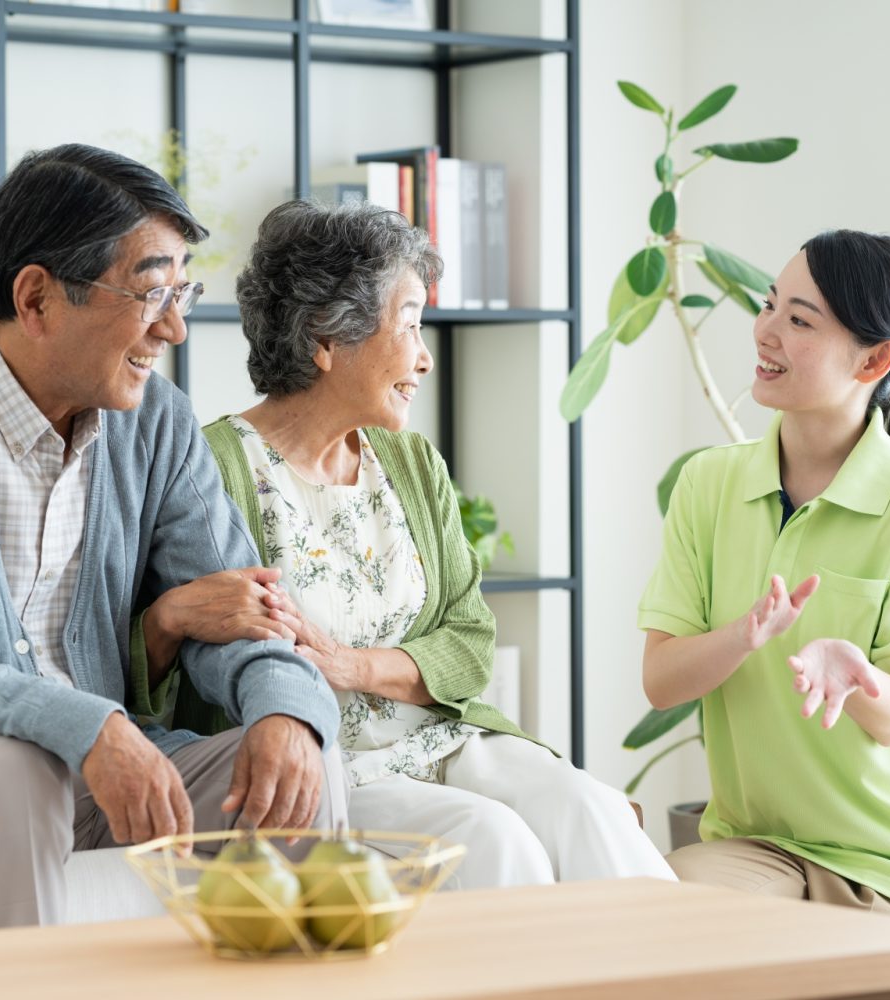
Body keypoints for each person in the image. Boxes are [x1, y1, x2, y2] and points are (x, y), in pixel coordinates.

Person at [0, 144, 345, 932]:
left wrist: (286, 712)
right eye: (152, 290)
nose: (176, 328)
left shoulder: (157, 423)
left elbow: (243, 611)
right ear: (36, 299)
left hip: (100, 774)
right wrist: (88, 725)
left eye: (181, 290)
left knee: (305, 766)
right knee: (14, 769)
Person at [131, 199, 673, 889]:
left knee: (592, 811)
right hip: (330, 764)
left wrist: (353, 665)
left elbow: (470, 643)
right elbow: (158, 662)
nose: (425, 358)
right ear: (326, 339)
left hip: (448, 737)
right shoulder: (211, 468)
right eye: (411, 325)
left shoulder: (412, 463)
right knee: (494, 842)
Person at [639, 230, 890, 929]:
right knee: (663, 916)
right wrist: (743, 636)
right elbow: (662, 681)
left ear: (876, 358)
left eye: (799, 320)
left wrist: (855, 674)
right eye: (770, 306)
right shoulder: (707, 484)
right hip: (763, 849)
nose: (765, 331)